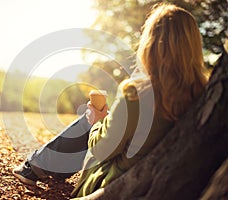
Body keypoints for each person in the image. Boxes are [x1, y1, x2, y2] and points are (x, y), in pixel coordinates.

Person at [12, 3, 207, 198]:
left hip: (117, 182)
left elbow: (100, 151)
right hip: (165, 179)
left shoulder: (137, 93)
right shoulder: (203, 92)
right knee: (99, 121)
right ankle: (41, 166)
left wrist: (97, 122)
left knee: (88, 122)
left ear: (151, 43)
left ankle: (34, 167)